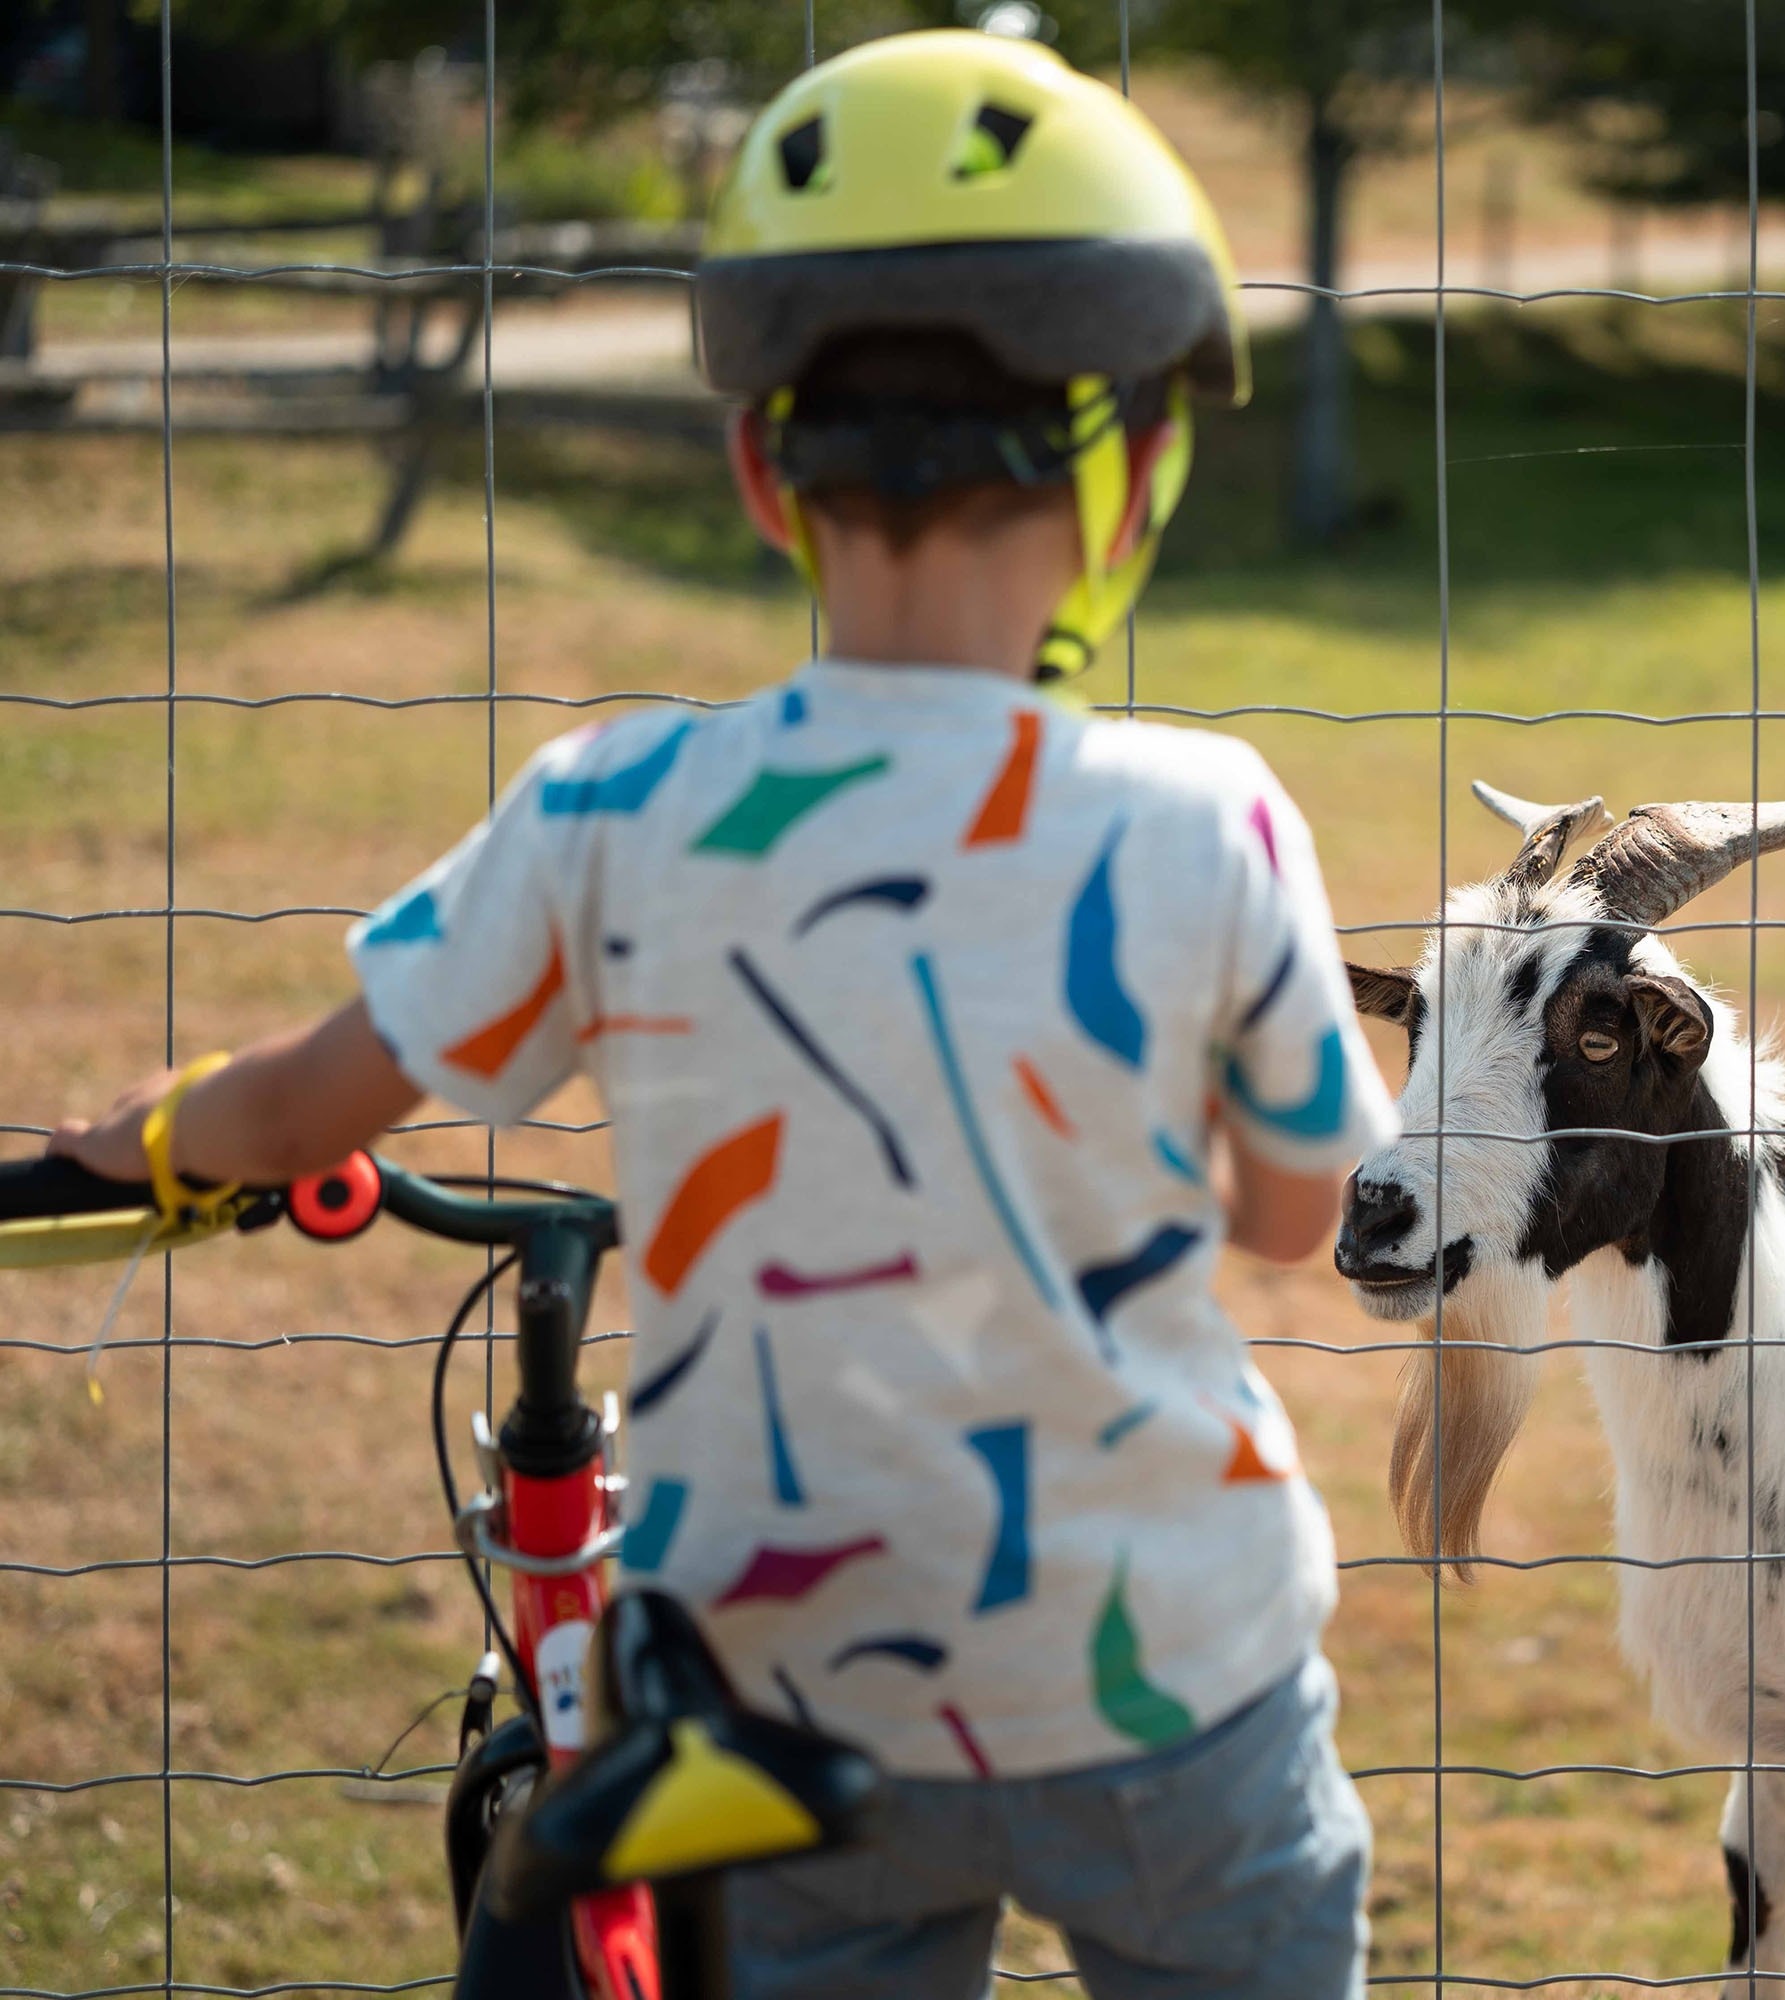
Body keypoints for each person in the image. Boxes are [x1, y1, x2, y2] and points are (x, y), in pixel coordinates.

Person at [48, 29, 1393, 2000]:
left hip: (774, 1701)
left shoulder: (612, 807)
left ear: (768, 468)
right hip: (1171, 1675)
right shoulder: (1210, 819)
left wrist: (155, 1139)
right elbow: (1299, 1210)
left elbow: (311, 1100)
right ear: (1133, 485)